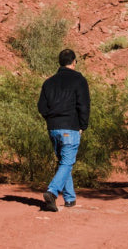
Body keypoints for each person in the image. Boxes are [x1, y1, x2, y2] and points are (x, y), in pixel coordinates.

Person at [36, 47, 90, 211]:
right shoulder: (79, 80)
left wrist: (51, 119)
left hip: (53, 128)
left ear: (60, 63)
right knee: (67, 162)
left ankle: (70, 199)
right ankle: (52, 192)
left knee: (64, 163)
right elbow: (84, 105)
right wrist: (82, 125)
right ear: (74, 62)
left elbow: (41, 107)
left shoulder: (49, 82)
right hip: (70, 127)